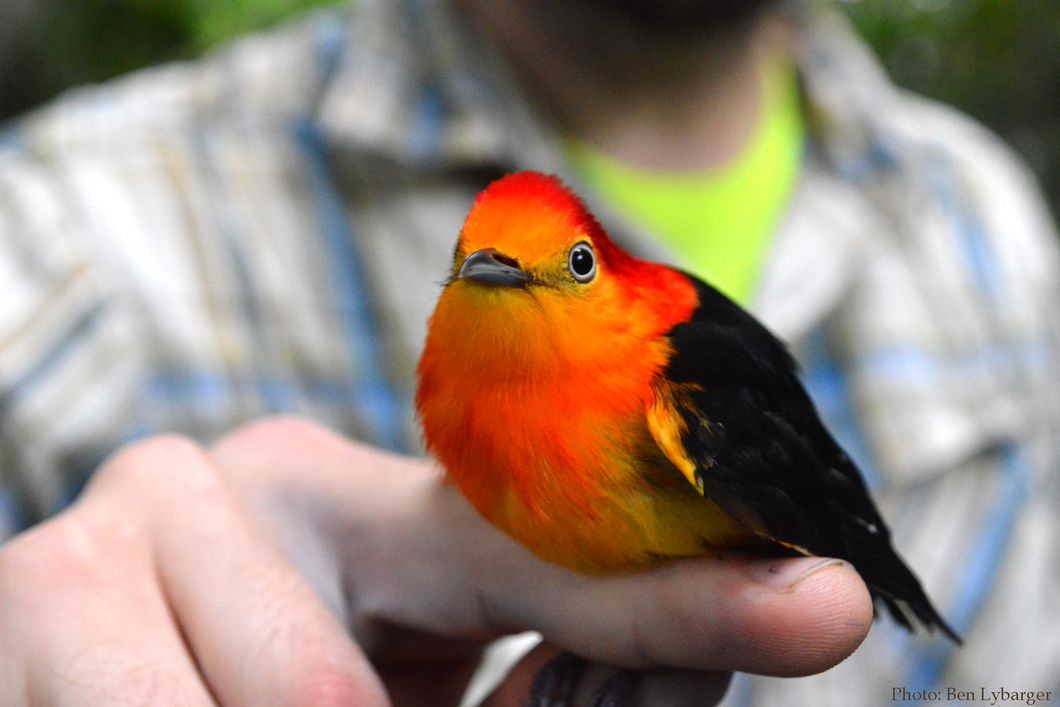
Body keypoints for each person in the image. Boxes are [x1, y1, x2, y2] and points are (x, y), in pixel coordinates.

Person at [0, 0, 1056, 705]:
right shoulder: (52, 238)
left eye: (576, 267)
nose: (505, 280)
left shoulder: (982, 220)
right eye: (477, 267)